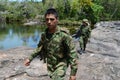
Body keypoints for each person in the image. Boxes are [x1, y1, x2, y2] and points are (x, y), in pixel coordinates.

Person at [24, 8, 78, 80]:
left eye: (52, 19)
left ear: (57, 19)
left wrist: (73, 73)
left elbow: (72, 53)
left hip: (61, 63)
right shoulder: (44, 35)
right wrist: (30, 58)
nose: (49, 22)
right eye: (47, 19)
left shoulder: (64, 35)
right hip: (50, 65)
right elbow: (39, 48)